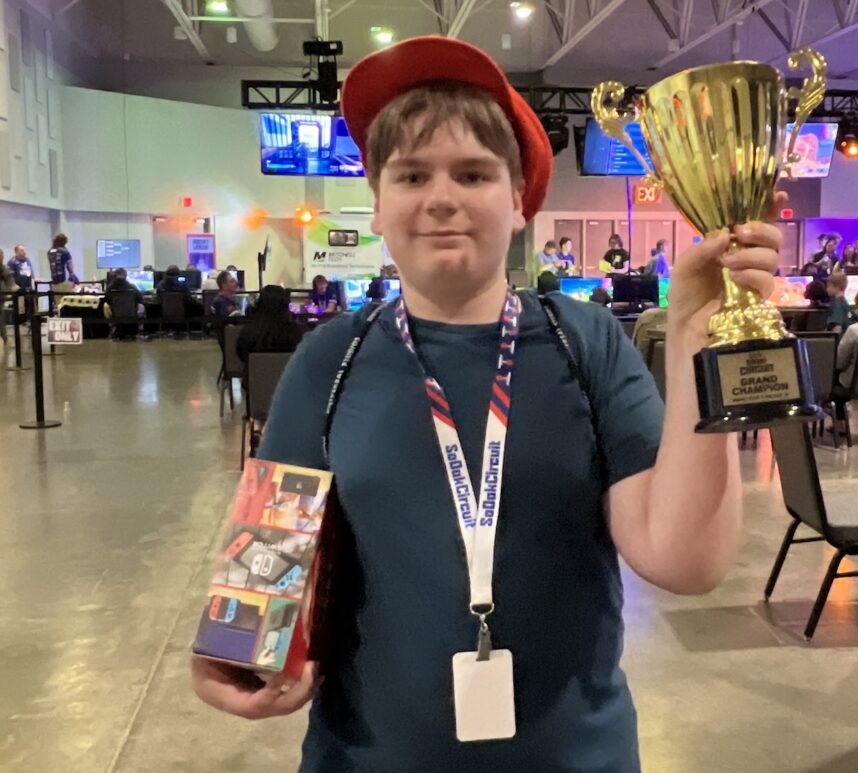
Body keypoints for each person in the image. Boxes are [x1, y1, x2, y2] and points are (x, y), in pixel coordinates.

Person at [190, 35, 783, 772]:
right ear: (378, 205)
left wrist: (699, 339)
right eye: (411, 175)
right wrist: (231, 656)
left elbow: (685, 558)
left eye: (473, 172)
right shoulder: (329, 360)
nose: (441, 197)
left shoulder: (586, 343)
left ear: (519, 200)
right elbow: (261, 571)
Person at [236, 285, 303, 375]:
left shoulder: (248, 332)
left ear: (260, 304)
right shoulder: (297, 333)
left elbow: (242, 356)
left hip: (255, 382)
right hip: (289, 383)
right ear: (286, 306)